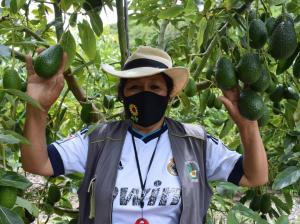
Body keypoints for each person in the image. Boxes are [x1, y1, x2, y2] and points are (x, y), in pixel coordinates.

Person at [21, 46, 268, 224]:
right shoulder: (98, 138)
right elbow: (37, 163)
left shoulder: (195, 142)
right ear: (123, 95)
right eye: (135, 87)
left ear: (169, 96)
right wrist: (36, 107)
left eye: (155, 87)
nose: (145, 94)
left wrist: (248, 125)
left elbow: (255, 176)